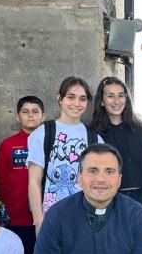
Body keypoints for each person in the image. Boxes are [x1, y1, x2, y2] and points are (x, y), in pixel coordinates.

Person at [0, 95, 48, 254]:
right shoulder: (9, 145)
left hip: (43, 220)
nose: (30, 115)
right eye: (25, 111)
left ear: (44, 116)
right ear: (17, 116)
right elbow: (0, 181)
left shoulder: (51, 141)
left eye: (35, 111)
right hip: (16, 220)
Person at [27, 76, 101, 234]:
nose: (76, 104)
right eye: (70, 97)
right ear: (59, 98)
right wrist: (39, 221)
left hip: (86, 220)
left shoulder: (95, 138)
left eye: (82, 99)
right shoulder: (43, 133)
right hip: (51, 219)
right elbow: (34, 181)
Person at [91, 76, 142, 232]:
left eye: (121, 95)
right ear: (102, 101)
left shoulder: (140, 129)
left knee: (138, 251)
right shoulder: (94, 133)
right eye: (110, 96)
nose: (116, 101)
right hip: (108, 201)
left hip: (140, 201)